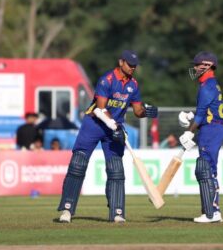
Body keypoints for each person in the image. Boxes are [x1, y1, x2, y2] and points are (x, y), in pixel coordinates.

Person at [57, 50, 158, 223]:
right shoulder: (107, 80)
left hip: (114, 129)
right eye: (129, 64)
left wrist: (146, 112)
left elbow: (137, 110)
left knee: (116, 169)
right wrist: (114, 125)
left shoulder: (133, 84)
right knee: (78, 163)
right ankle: (67, 209)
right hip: (94, 124)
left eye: (135, 65)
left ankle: (117, 212)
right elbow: (100, 109)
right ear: (121, 62)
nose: (132, 68)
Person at [178, 51, 223, 223]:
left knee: (205, 169)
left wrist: (190, 132)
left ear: (207, 66)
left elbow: (200, 116)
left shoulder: (207, 86)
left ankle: (210, 213)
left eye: (198, 65)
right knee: (208, 170)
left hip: (211, 130)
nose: (195, 68)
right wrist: (190, 116)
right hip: (213, 128)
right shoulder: (211, 84)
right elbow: (205, 111)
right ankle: (214, 211)